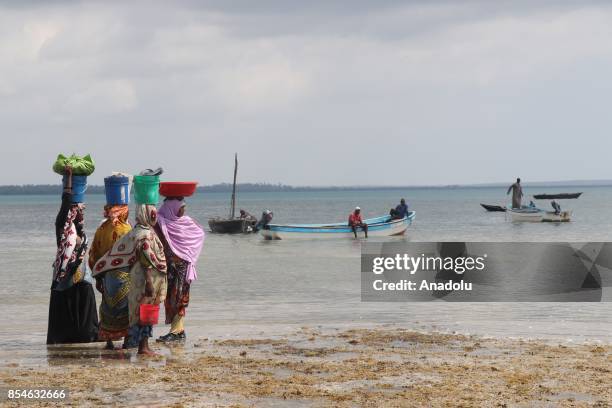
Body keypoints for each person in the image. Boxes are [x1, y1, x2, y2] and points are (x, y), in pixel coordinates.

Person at [93, 204, 167, 355]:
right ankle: (143, 346)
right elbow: (146, 260)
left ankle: (139, 344)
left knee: (137, 312)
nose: (155, 217)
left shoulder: (133, 232)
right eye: (153, 214)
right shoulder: (145, 235)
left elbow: (114, 254)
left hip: (134, 278)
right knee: (146, 311)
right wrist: (149, 283)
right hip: (144, 279)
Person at [47, 166, 99, 344]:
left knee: (86, 301)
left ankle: (88, 336)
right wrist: (69, 180)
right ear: (73, 213)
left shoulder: (80, 233)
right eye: (80, 211)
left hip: (81, 277)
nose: (82, 215)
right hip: (65, 277)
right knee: (66, 308)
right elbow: (66, 203)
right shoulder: (64, 227)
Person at [154, 198, 205, 343]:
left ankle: (176, 332)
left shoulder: (187, 222)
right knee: (171, 299)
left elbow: (199, 234)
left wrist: (189, 255)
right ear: (172, 209)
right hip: (169, 270)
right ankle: (179, 330)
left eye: (184, 207)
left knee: (179, 299)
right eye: (181, 207)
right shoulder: (163, 222)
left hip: (182, 270)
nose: (184, 210)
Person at [89, 204, 132, 349]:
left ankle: (109, 341)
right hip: (125, 275)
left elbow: (94, 253)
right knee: (125, 308)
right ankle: (127, 340)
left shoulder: (101, 229)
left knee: (107, 307)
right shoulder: (127, 230)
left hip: (106, 276)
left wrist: (98, 277)